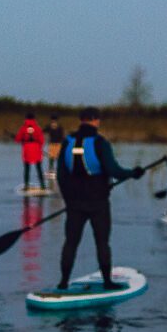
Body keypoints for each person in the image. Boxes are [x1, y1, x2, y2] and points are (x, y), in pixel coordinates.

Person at [55, 108, 144, 290]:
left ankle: (63, 282)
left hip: (74, 204)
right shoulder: (100, 143)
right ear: (95, 120)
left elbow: (60, 175)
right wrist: (133, 173)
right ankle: (107, 281)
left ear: (81, 120)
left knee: (70, 242)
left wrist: (68, 200)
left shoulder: (68, 142)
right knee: (102, 242)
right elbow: (114, 171)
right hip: (98, 203)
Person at [13, 113, 47, 190]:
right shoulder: (38, 128)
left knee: (27, 169)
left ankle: (26, 185)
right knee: (39, 168)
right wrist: (39, 148)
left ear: (26, 119)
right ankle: (43, 185)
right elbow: (42, 140)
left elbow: (17, 139)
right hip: (37, 150)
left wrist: (16, 138)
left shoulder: (23, 128)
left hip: (27, 150)